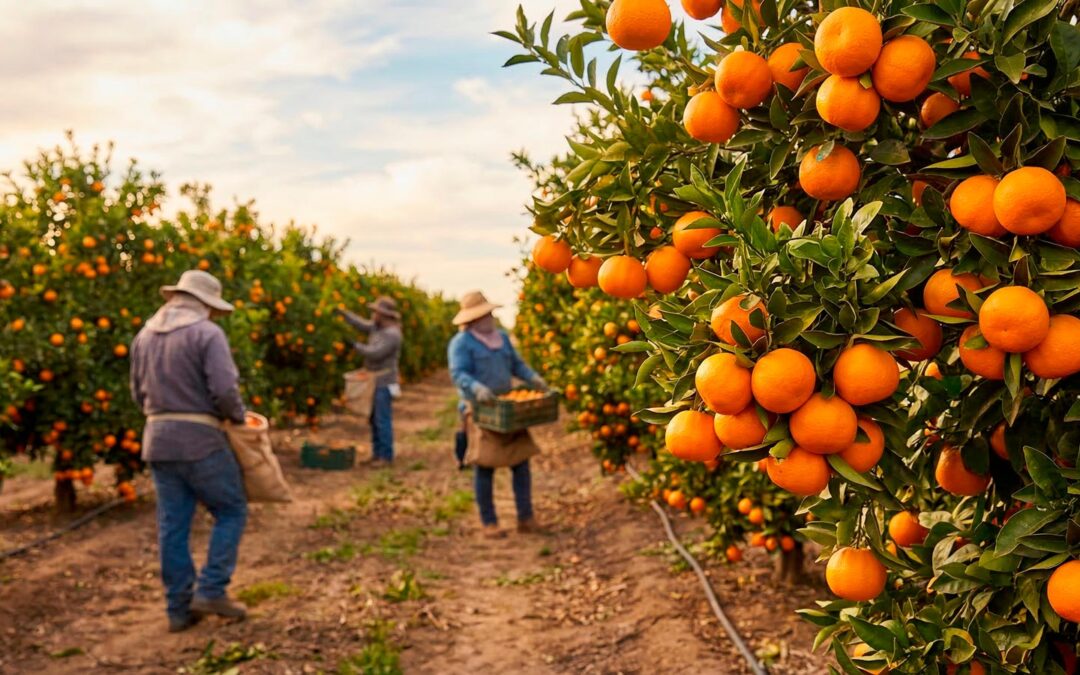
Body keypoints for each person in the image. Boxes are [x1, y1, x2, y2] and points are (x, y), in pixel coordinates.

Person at [130, 270, 249, 633]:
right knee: (231, 509)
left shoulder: (144, 336)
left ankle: (178, 609)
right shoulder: (207, 334)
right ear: (204, 304)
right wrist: (238, 418)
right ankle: (211, 588)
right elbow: (225, 389)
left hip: (157, 438)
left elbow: (137, 393)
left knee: (173, 524)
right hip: (200, 439)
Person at [448, 290, 547, 538]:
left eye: (489, 314)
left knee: (521, 462)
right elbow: (458, 374)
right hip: (482, 411)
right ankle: (488, 521)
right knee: (485, 465)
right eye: (485, 315)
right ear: (471, 320)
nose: (489, 318)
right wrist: (476, 388)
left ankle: (526, 517)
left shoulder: (500, 338)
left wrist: (533, 378)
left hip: (508, 408)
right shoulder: (462, 343)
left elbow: (517, 365)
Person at [336, 297, 403, 465]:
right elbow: (360, 324)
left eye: (375, 313)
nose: (372, 315)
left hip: (384, 382)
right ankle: (377, 454)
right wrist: (344, 314)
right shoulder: (377, 327)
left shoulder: (393, 335)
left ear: (383, 315)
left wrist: (354, 346)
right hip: (373, 381)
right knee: (373, 419)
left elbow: (375, 353)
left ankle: (386, 456)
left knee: (382, 419)